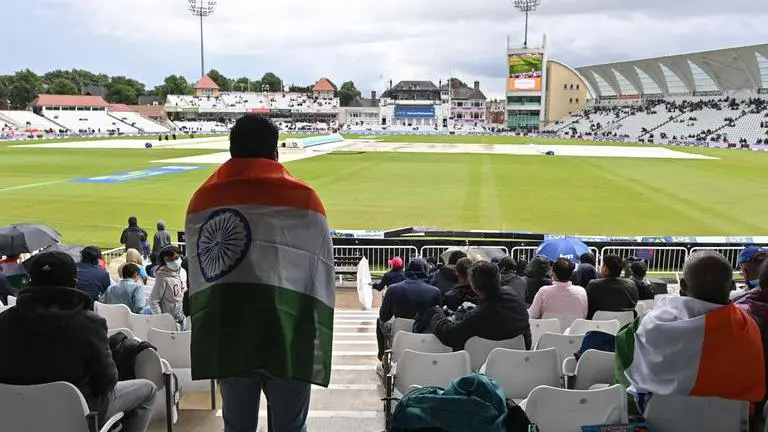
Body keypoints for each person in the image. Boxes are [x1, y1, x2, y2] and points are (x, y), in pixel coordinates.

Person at [185, 114, 336, 432]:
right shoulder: (305, 199)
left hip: (231, 334)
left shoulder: (203, 198)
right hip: (288, 334)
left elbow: (201, 274)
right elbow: (318, 272)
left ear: (231, 149)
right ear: (275, 152)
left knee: (237, 427)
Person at [0, 252, 158, 432]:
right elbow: (107, 381)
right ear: (74, 283)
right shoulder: (89, 324)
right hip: (79, 414)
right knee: (149, 389)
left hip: (14, 415)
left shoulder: (3, 321)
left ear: (31, 281)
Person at [614, 251, 765, 412]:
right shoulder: (749, 325)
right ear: (732, 285)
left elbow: (625, 360)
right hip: (733, 422)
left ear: (683, 285)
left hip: (658, 420)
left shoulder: (650, 322)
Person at [426, 260, 532, 350]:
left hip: (480, 366)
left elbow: (449, 335)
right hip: (519, 359)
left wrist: (437, 313)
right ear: (499, 277)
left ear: (474, 287)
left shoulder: (476, 316)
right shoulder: (514, 297)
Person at [377, 258, 442, 360]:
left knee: (379, 321)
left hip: (399, 330)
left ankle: (382, 355)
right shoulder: (435, 291)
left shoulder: (393, 289)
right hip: (424, 333)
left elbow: (384, 316)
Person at [585, 254, 639, 319]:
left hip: (597, 325)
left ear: (606, 269)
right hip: (625, 325)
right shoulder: (631, 284)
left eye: (603, 265)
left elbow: (587, 306)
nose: (601, 267)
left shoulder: (593, 285)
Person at [149, 245, 186, 326]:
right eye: (170, 260)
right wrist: (162, 320)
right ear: (164, 262)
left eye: (176, 258)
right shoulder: (162, 277)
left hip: (181, 317)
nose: (175, 261)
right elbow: (153, 301)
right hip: (169, 322)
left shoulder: (181, 272)